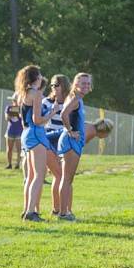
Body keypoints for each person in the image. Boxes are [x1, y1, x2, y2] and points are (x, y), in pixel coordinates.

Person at [16, 65, 52, 222]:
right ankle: (31, 212)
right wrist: (52, 112)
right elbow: (37, 120)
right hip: (36, 134)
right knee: (39, 174)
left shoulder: (22, 93)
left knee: (30, 176)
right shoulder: (36, 94)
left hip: (26, 134)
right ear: (36, 78)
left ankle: (26, 210)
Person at [56, 72, 92, 221]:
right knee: (66, 178)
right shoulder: (75, 98)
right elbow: (63, 114)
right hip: (70, 141)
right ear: (76, 85)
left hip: (73, 141)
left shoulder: (77, 99)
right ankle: (63, 213)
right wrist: (70, 130)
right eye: (83, 83)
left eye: (88, 83)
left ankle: (67, 211)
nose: (86, 86)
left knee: (68, 179)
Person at [43, 74, 70, 216]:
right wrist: (52, 110)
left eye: (56, 85)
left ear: (64, 86)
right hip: (48, 140)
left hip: (64, 141)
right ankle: (56, 209)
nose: (53, 88)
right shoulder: (46, 102)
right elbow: (40, 120)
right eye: (52, 85)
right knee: (58, 175)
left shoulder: (69, 103)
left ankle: (62, 209)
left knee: (63, 176)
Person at [4, 94, 23, 169]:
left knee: (19, 149)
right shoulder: (9, 108)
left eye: (16, 100)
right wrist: (11, 114)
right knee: (9, 149)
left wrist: (19, 114)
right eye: (14, 100)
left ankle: (18, 164)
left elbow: (23, 118)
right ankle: (9, 164)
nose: (14, 101)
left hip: (19, 131)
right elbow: (7, 118)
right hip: (10, 130)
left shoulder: (21, 108)